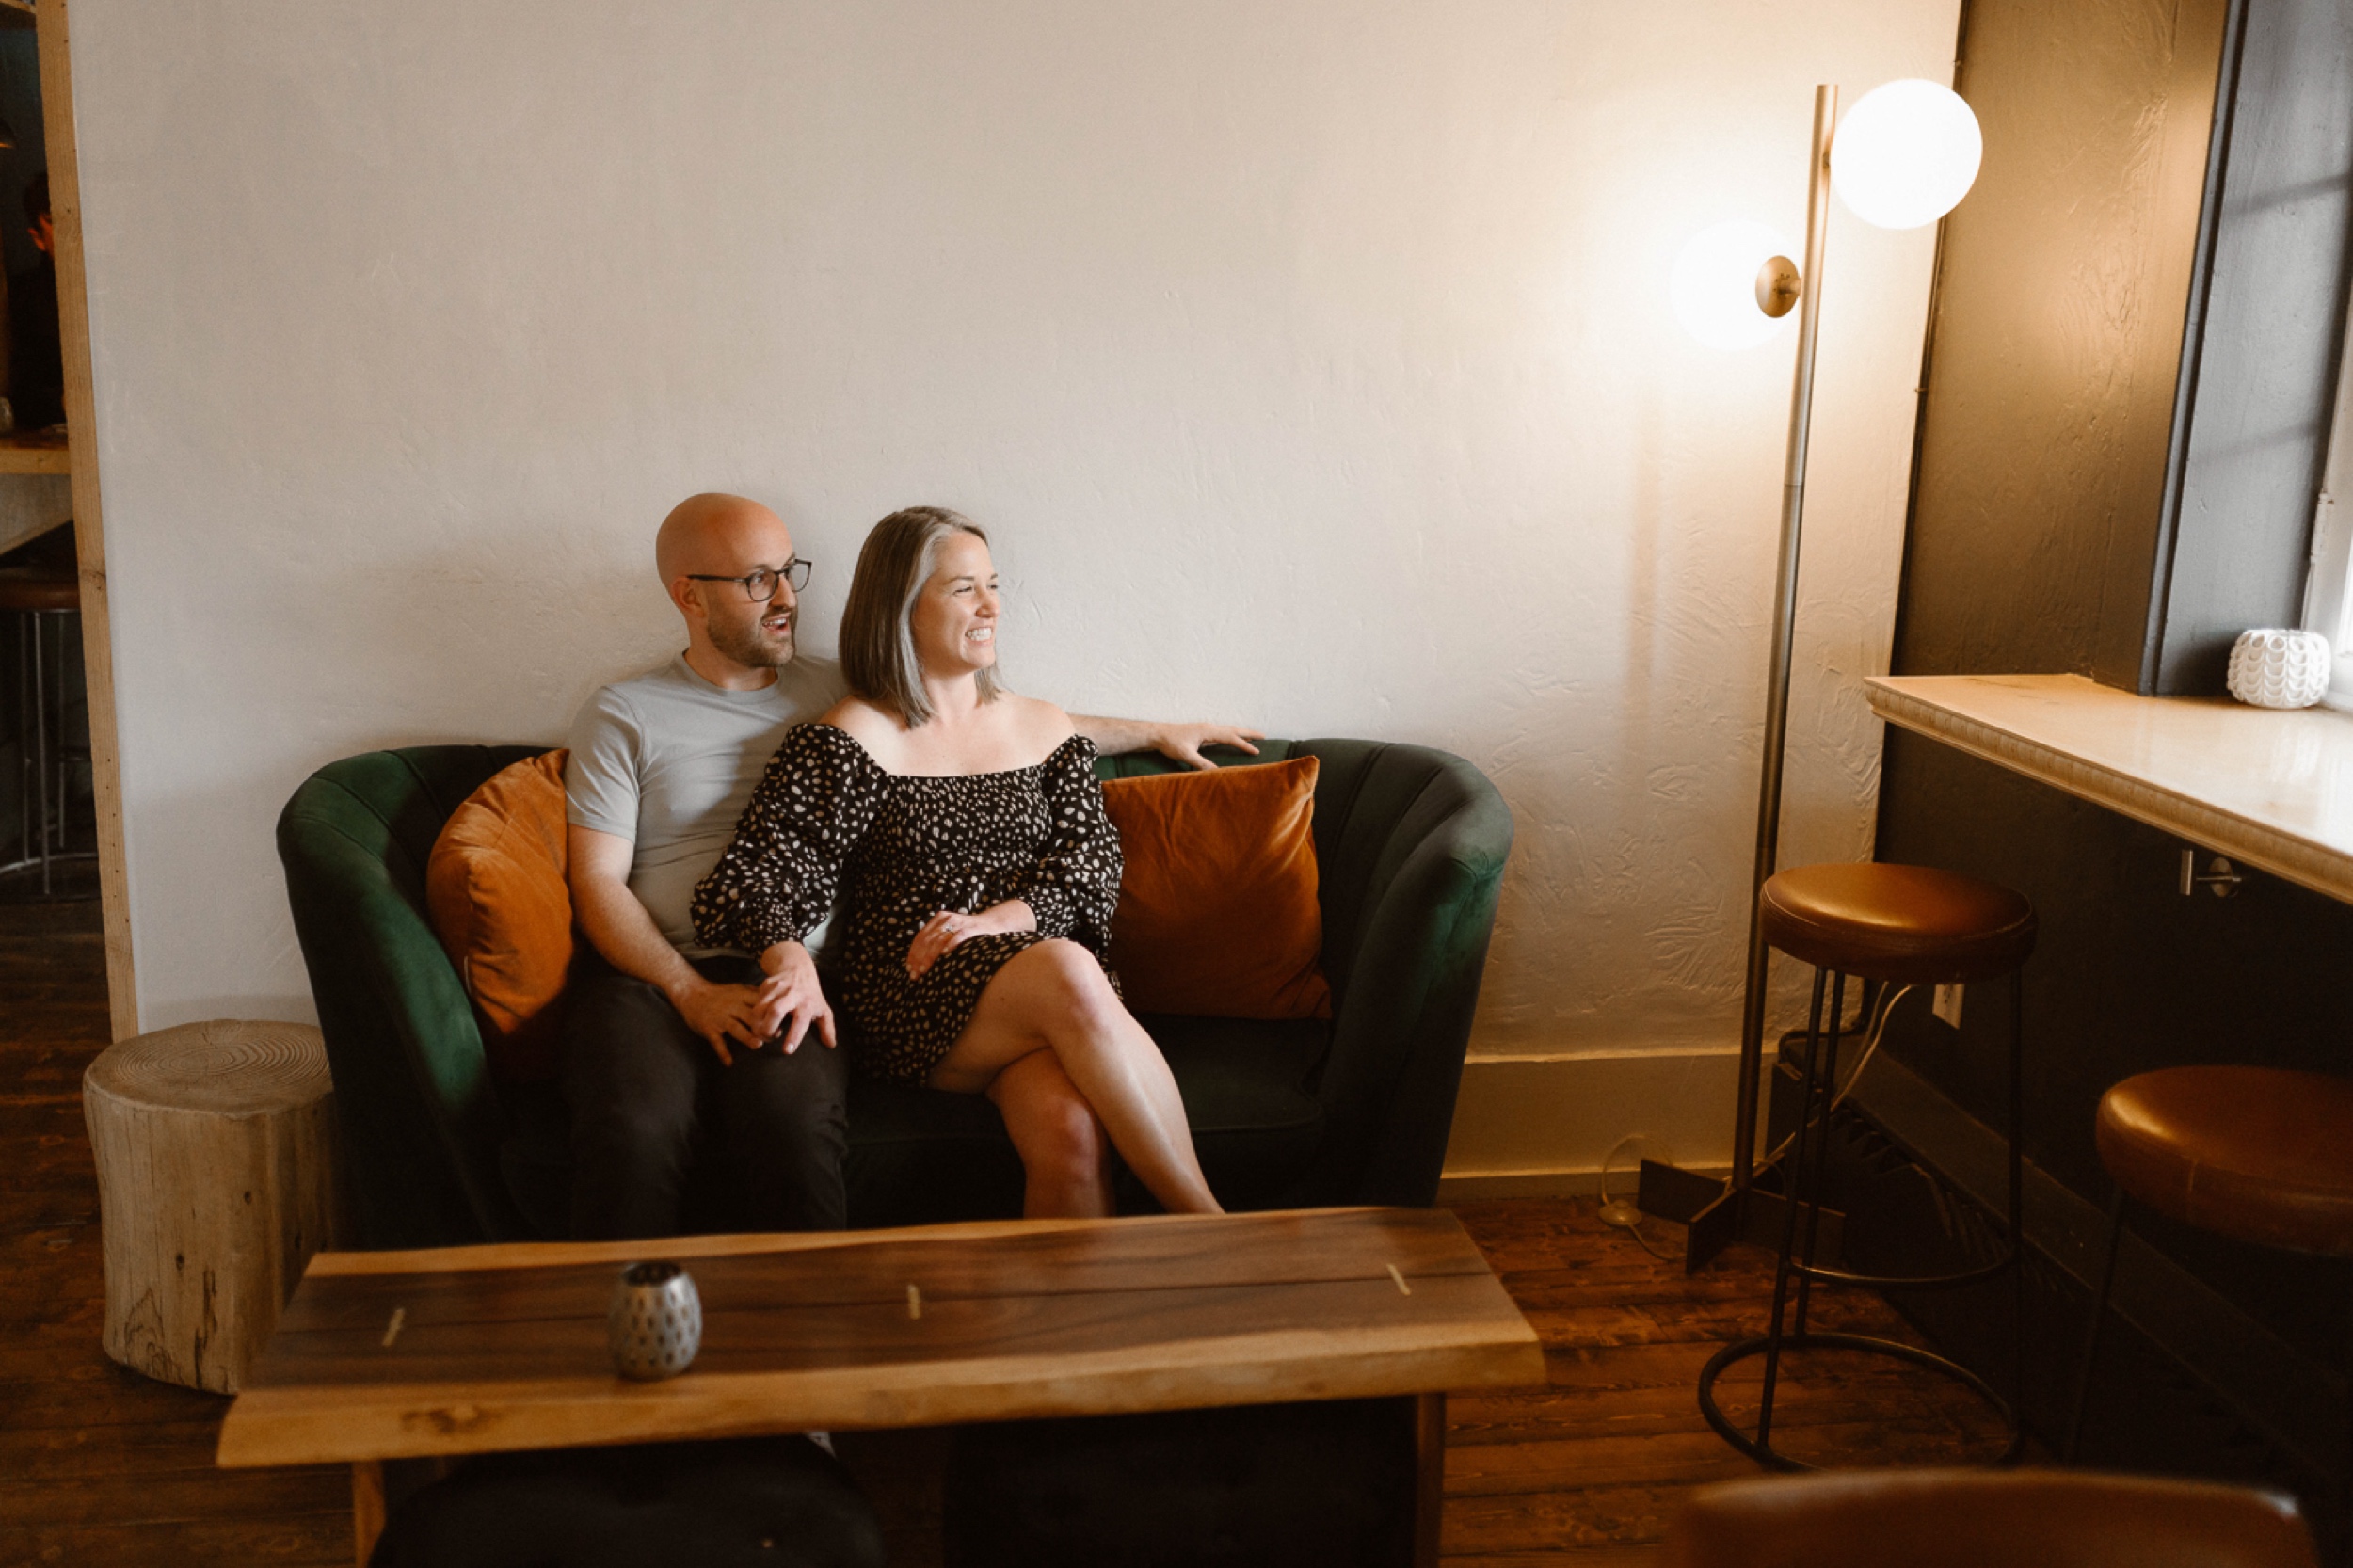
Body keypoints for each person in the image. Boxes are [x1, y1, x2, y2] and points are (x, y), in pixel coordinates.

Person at [563, 492, 1256, 1239]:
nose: (990, 604)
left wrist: (1156, 734)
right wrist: (770, 961)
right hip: (904, 980)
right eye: (964, 588)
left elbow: (1079, 844)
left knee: (1071, 1130)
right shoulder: (839, 731)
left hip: (1020, 974)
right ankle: (1213, 1234)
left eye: (993, 583)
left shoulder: (1017, 721)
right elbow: (748, 876)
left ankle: (1059, 1350)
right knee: (1069, 969)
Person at [8, 170, 62, 431]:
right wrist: (63, 401)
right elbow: (19, 389)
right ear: (37, 237)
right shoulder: (23, 299)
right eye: (55, 221)